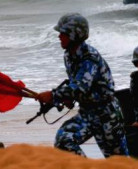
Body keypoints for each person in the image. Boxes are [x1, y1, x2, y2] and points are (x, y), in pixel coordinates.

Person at [36, 14, 128, 158]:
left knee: (119, 163)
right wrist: (67, 99)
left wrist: (53, 95)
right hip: (87, 113)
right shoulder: (69, 56)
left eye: (63, 33)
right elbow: (75, 85)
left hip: (106, 115)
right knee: (64, 140)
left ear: (74, 35)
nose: (59, 36)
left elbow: (80, 87)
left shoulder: (89, 57)